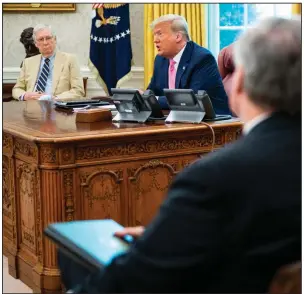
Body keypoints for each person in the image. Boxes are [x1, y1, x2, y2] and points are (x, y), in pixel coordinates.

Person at [58, 16, 301, 293]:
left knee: (71, 251)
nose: (157, 40)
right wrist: (171, 234)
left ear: (240, 83)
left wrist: (161, 241)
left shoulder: (212, 177)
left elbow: (135, 279)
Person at [147, 14, 230, 114]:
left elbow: (190, 100)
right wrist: (141, 97)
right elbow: (152, 91)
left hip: (211, 123)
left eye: (159, 34)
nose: (155, 40)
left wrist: (154, 100)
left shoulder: (202, 58)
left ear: (178, 36)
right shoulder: (160, 60)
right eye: (155, 35)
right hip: (176, 119)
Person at [12, 24, 84, 101]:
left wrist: (54, 98)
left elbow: (78, 91)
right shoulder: (28, 62)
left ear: (55, 39)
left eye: (48, 38)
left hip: (57, 107)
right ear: (36, 44)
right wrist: (25, 95)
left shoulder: (70, 60)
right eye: (41, 39)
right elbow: (17, 89)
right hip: (31, 106)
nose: (45, 43)